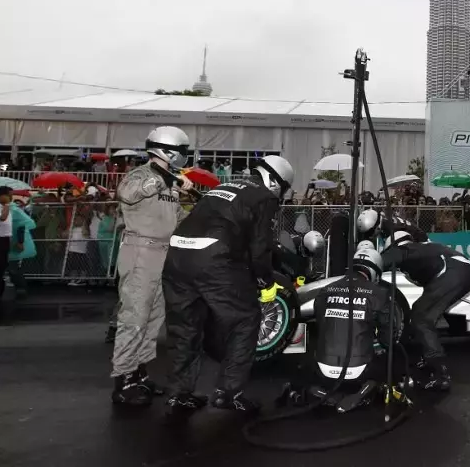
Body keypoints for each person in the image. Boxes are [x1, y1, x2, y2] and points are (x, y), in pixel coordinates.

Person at [163, 154, 294, 416]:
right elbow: (260, 247)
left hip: (177, 255)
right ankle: (229, 392)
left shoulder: (223, 187)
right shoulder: (264, 197)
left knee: (185, 326)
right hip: (213, 258)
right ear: (277, 182)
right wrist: (265, 282)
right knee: (245, 319)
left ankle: (180, 393)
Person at [110, 126, 193, 407]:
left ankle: (141, 374)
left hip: (164, 253)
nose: (184, 157)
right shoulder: (140, 175)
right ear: (166, 151)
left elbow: (175, 217)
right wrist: (163, 178)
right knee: (134, 318)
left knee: (153, 320)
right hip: (140, 252)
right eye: (181, 152)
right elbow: (128, 194)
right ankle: (123, 378)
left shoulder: (171, 183)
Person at [358, 211, 470, 391]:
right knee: (419, 310)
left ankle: (440, 372)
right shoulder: (417, 244)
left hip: (455, 271)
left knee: (422, 317)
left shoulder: (404, 249)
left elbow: (383, 260)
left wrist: (358, 274)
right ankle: (430, 352)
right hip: (455, 270)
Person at [283, 241, 406, 412]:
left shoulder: (326, 290)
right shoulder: (379, 294)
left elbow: (322, 323)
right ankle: (369, 388)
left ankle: (320, 393)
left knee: (308, 359)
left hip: (323, 371)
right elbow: (388, 339)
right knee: (394, 355)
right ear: (375, 271)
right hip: (360, 373)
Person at [0, 187, 14, 305]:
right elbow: (2, 218)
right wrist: (7, 204)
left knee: (2, 265)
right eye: (9, 195)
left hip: (5, 240)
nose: (11, 198)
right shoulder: (0, 207)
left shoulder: (5, 207)